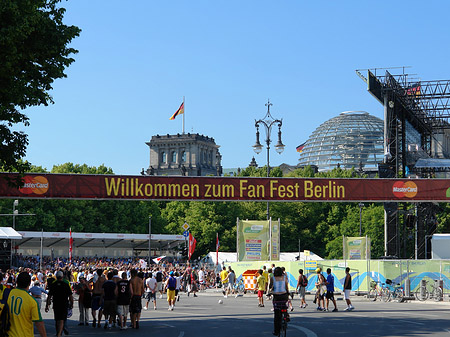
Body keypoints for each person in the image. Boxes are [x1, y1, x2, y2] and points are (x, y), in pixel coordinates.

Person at [8, 272, 47, 337]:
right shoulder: (32, 301)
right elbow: (38, 322)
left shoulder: (8, 294)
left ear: (17, 282)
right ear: (29, 283)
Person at [45, 270, 74, 337]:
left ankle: (58, 331)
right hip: (64, 303)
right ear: (62, 276)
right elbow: (70, 296)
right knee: (61, 319)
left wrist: (47, 305)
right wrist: (71, 303)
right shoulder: (66, 284)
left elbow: (49, 296)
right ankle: (59, 333)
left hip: (56, 303)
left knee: (57, 318)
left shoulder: (53, 284)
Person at [269, 267, 289, 336]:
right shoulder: (285, 278)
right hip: (284, 295)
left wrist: (270, 291)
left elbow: (270, 286)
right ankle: (286, 314)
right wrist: (288, 293)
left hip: (276, 296)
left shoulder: (273, 278)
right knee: (284, 304)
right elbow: (286, 287)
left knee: (277, 315)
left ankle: (276, 331)